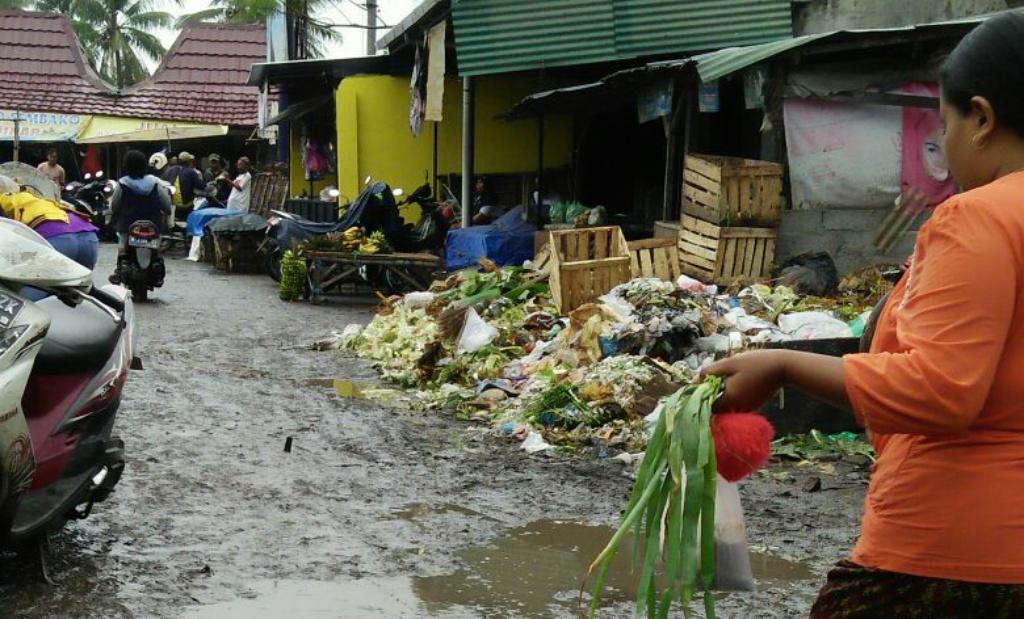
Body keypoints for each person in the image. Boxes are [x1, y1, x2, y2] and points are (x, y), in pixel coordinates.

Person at [701, 12, 1024, 618]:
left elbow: (940, 390)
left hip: (948, 553)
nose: (945, 143)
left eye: (944, 124)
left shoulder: (979, 215)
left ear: (981, 118)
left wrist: (782, 364)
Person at [0, 174, 99, 270]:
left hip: (56, 236)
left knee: (28, 278)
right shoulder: (35, 199)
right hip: (87, 235)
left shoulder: (4, 200)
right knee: (80, 280)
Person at [109, 149, 172, 285]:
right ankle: (158, 268)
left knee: (122, 246)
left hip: (128, 226)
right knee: (157, 249)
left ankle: (118, 271)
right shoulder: (154, 183)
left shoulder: (122, 183)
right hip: (154, 226)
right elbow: (167, 206)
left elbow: (114, 206)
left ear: (126, 165)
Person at [162, 151, 205, 217]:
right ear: (188, 161)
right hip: (187, 207)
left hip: (174, 207)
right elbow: (200, 186)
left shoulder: (170, 170)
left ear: (179, 160)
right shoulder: (191, 172)